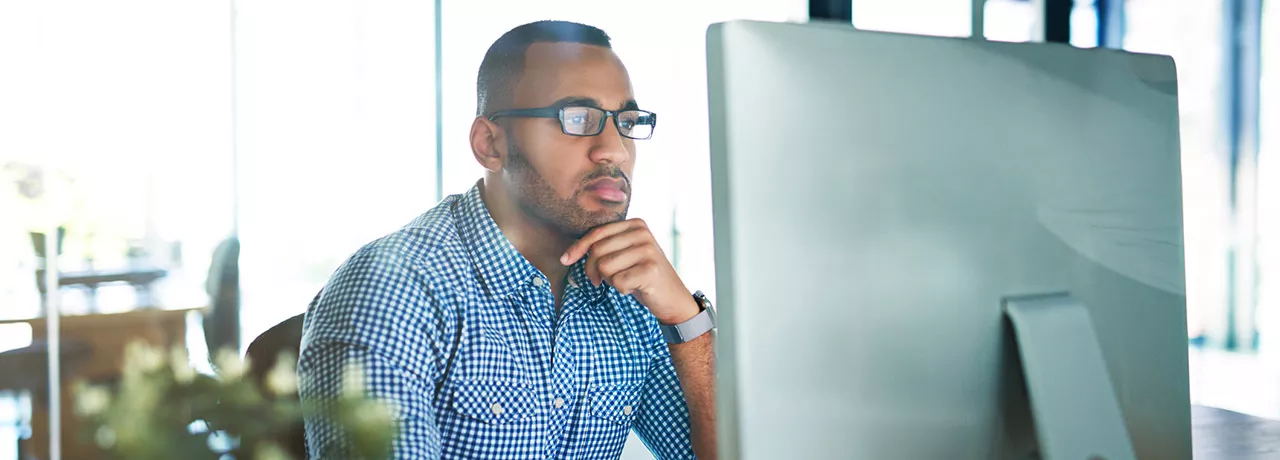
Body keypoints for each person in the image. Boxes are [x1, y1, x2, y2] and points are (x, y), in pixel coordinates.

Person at [299, 20, 717, 459]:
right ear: (489, 144)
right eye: (578, 119)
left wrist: (688, 322)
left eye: (627, 121)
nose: (613, 149)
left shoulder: (632, 296)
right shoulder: (394, 290)